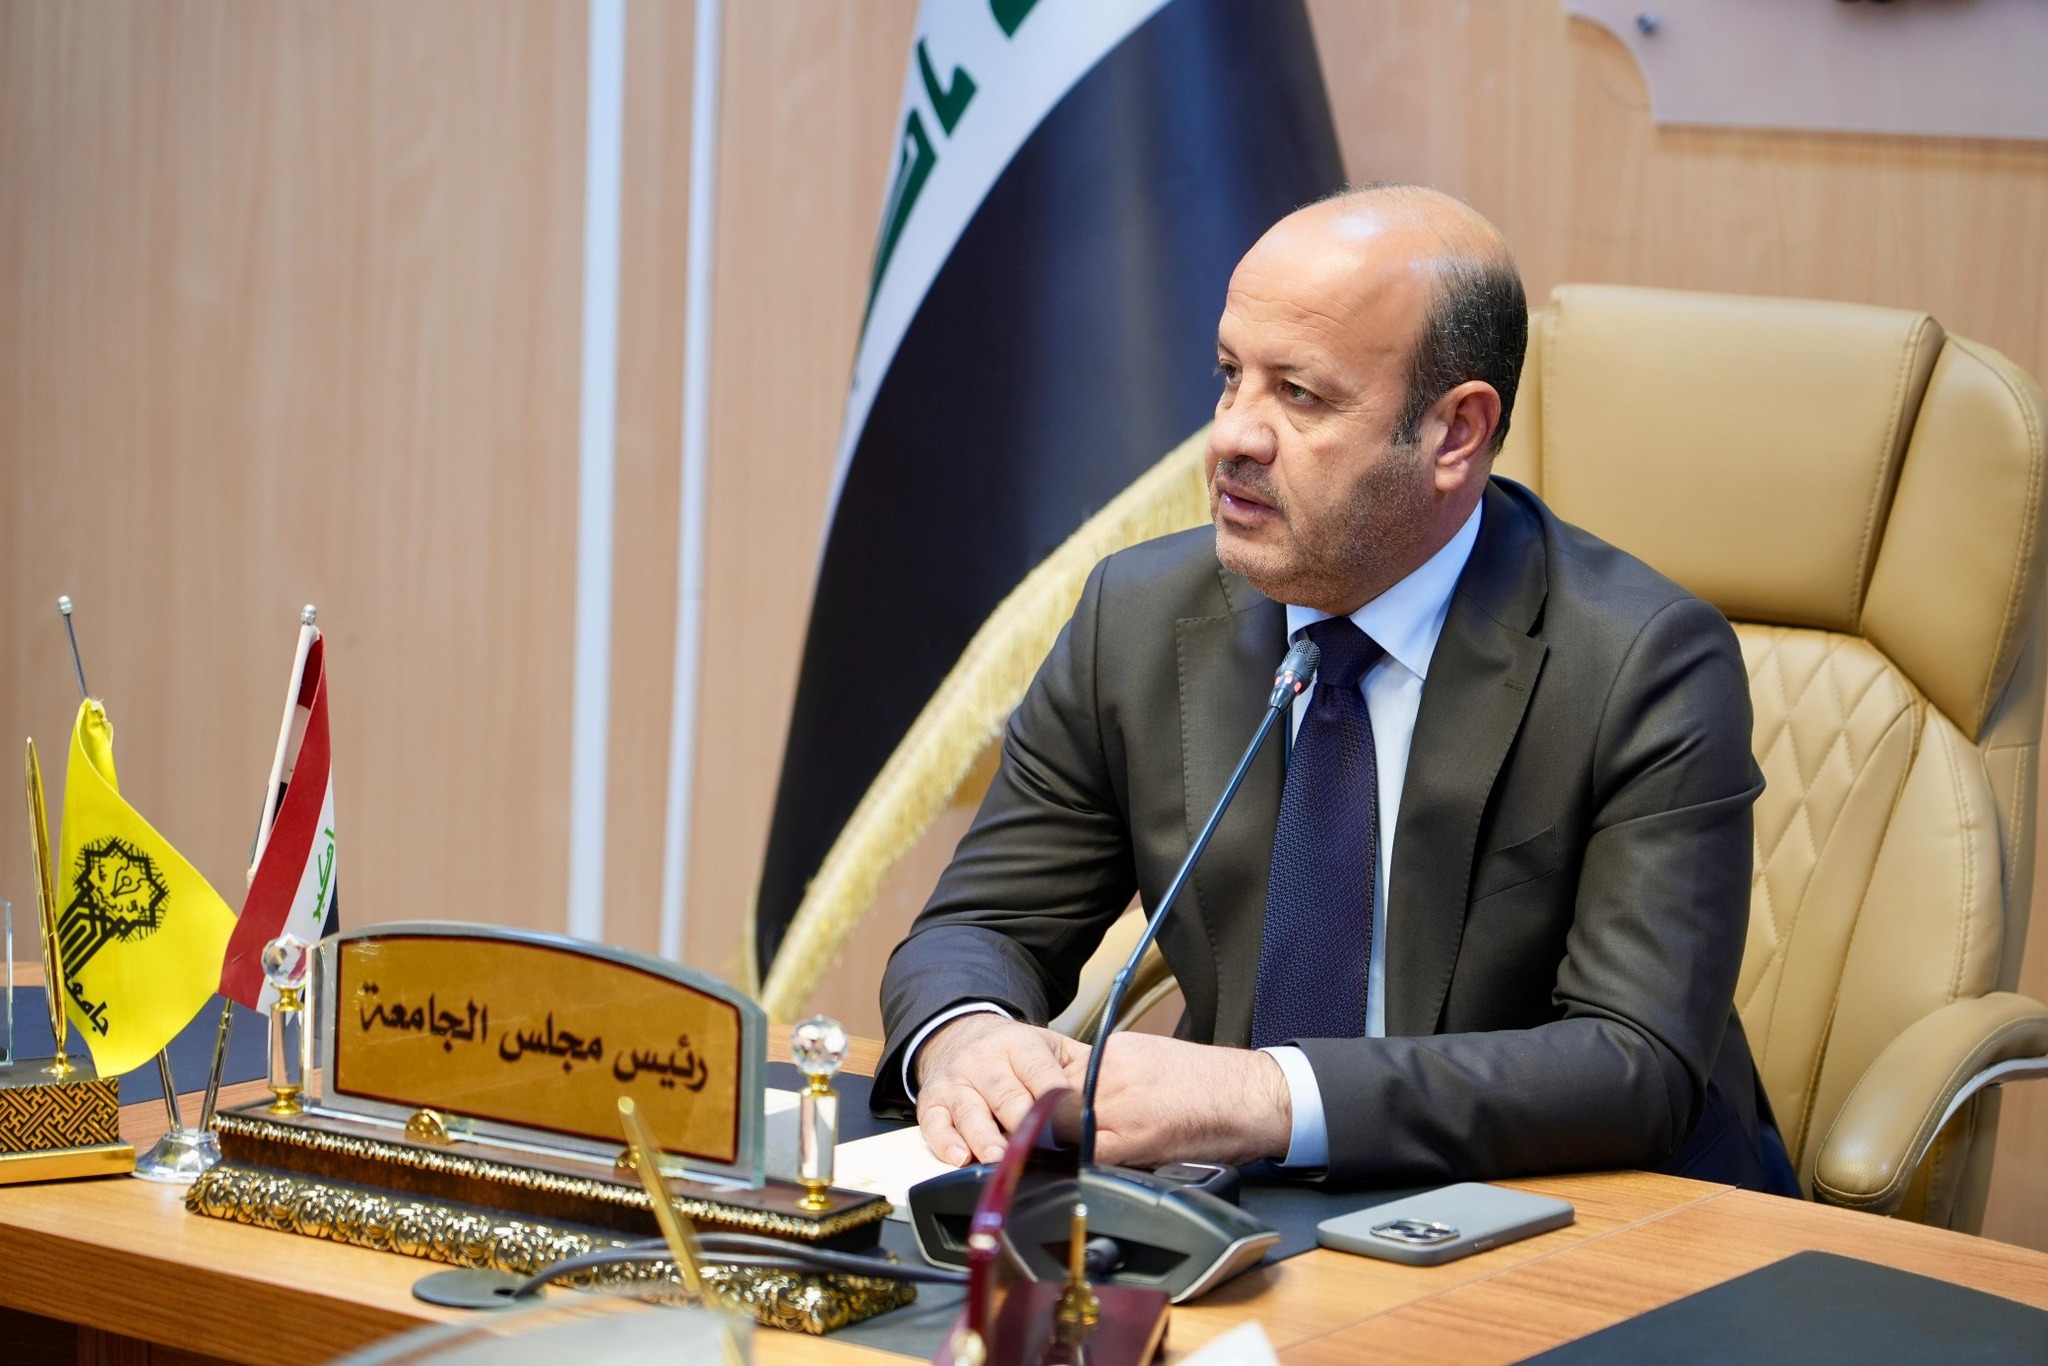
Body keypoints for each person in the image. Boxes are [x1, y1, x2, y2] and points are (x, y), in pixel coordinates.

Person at [872, 184, 1796, 1191]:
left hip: (1569, 1209)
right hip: (1241, 1209)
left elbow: (1634, 1065)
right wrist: (966, 1037)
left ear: (1454, 434)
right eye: (1230, 376)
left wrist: (1267, 1097)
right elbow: (983, 927)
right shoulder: (1135, 619)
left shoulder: (1641, 662)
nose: (1231, 436)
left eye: (1299, 395)